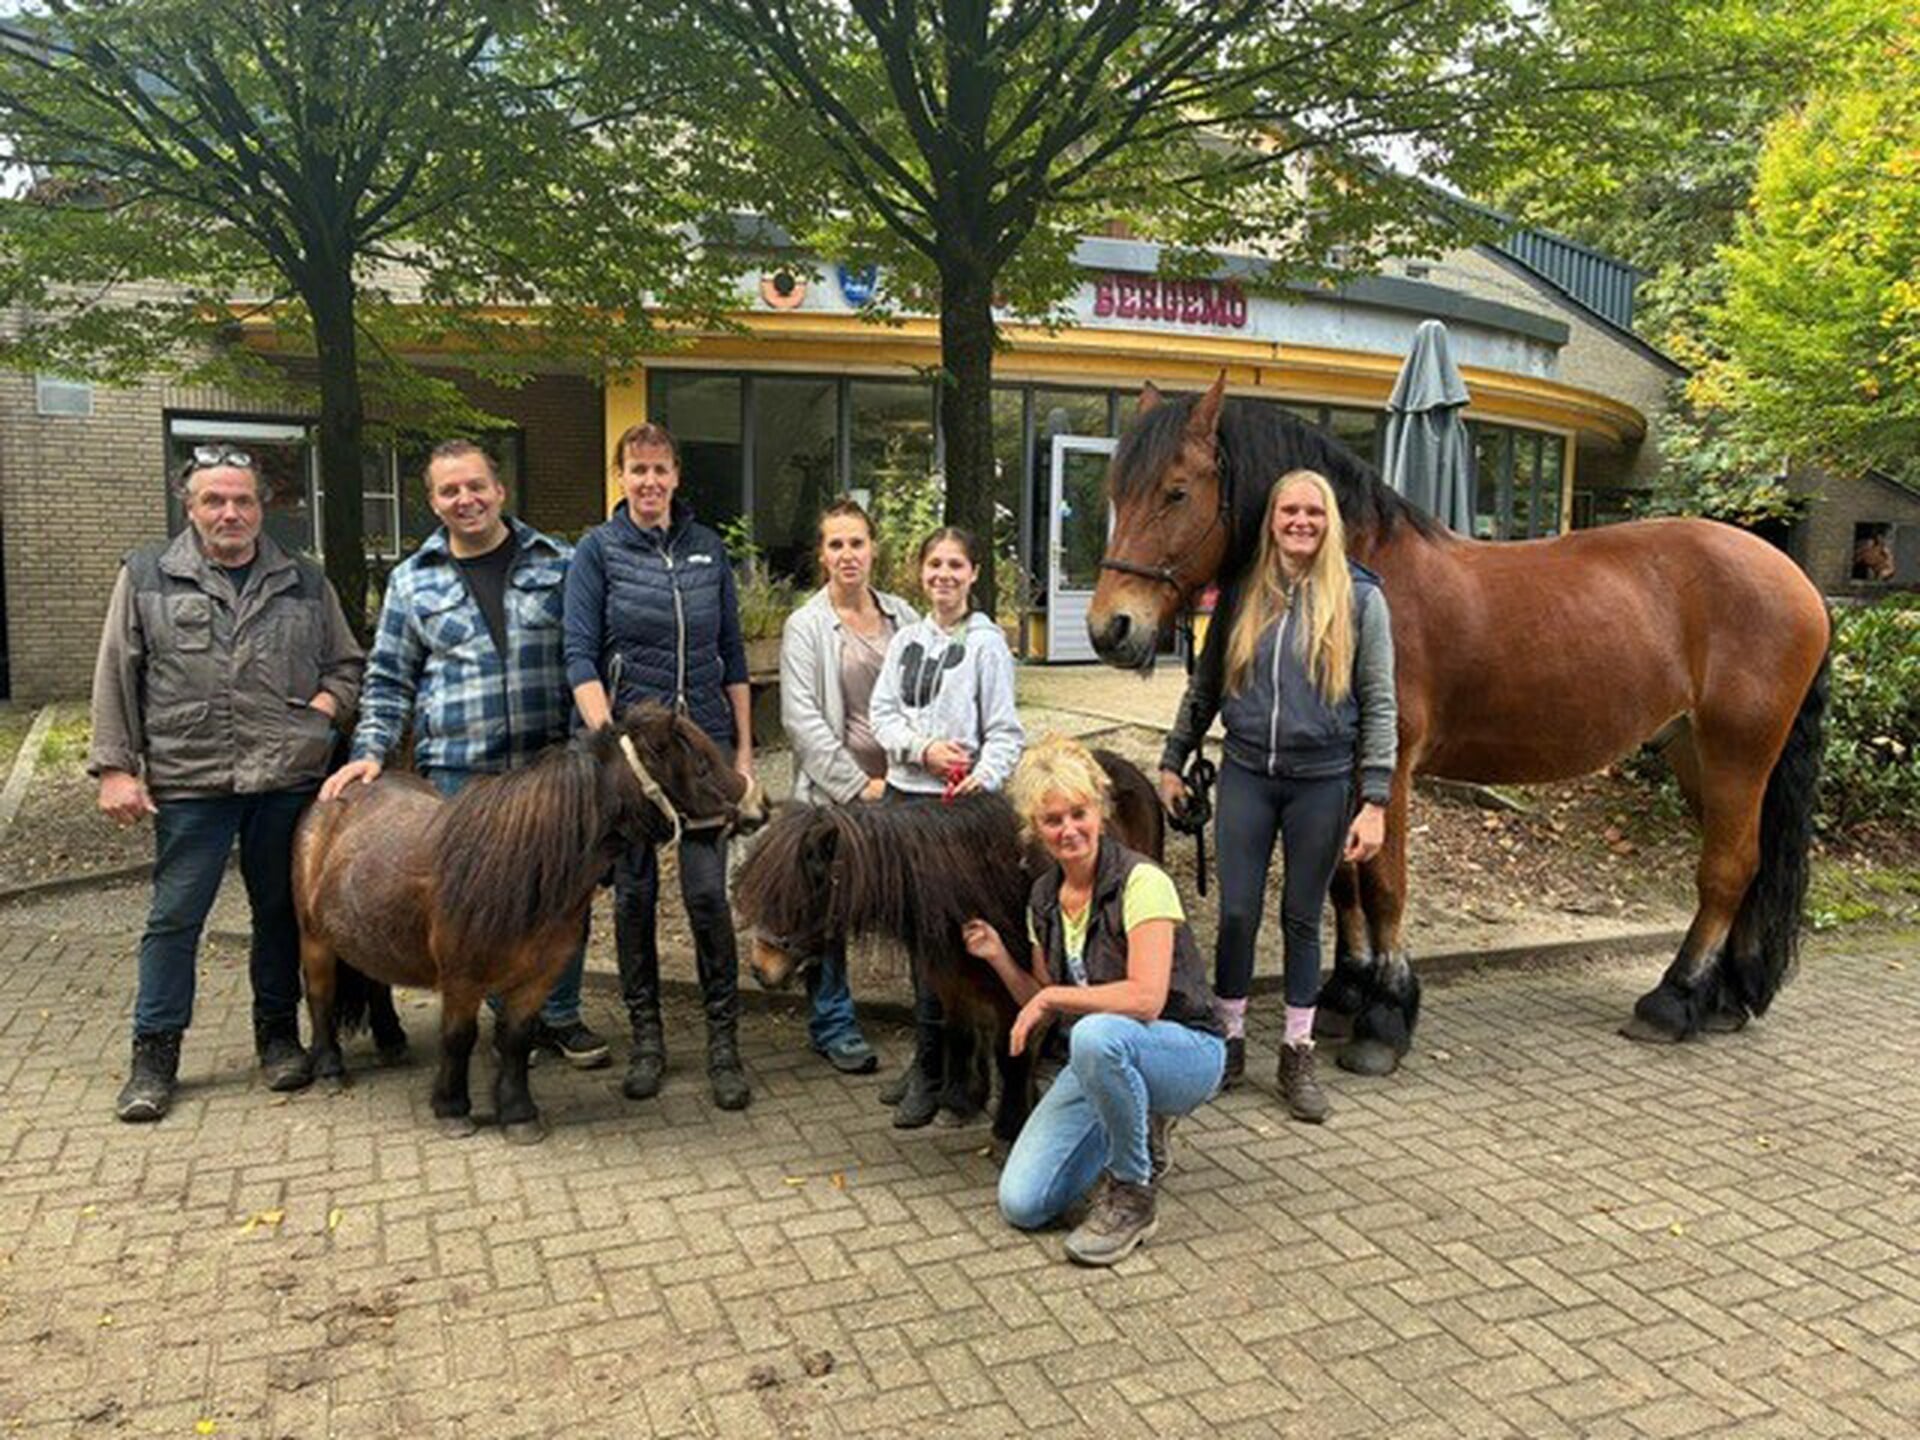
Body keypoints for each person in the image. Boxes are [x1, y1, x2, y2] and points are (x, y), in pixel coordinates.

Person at [88, 446, 365, 1122]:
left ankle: (277, 1037)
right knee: (174, 919)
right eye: (214, 500)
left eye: (242, 500)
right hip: (192, 782)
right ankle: (154, 1054)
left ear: (262, 508)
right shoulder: (149, 575)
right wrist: (115, 768)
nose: (229, 512)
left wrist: (324, 713)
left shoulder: (304, 581)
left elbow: (348, 666)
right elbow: (115, 675)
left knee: (279, 916)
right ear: (190, 507)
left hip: (285, 782)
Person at [318, 440, 607, 1069]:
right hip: (462, 771)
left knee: (561, 894)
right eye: (449, 491)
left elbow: (583, 656)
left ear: (499, 490)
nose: (465, 499)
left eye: (476, 486)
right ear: (433, 501)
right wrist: (370, 751)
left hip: (546, 766)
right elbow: (390, 678)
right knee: (477, 907)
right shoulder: (412, 580)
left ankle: (556, 1013)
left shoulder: (559, 562)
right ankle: (505, 1022)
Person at [1158, 468, 1396, 1124]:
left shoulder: (1361, 599)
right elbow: (1204, 689)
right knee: (1236, 914)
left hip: (1321, 782)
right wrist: (1173, 760)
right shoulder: (1237, 594)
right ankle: (1229, 1041)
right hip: (1246, 777)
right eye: (1289, 511)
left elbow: (1380, 704)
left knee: (1300, 916)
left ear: (1329, 523)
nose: (1300, 522)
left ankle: (1296, 1050)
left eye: (1313, 513)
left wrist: (1374, 801)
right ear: (1271, 520)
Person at [964, 734, 1225, 1266]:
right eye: (1052, 819)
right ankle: (1127, 1117)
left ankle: (1133, 1192)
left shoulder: (1142, 882)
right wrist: (997, 958)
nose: (1068, 830)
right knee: (1023, 1202)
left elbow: (1147, 999)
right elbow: (1042, 1001)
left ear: (1101, 812)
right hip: (1101, 1056)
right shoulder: (1042, 899)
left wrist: (1053, 998)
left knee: (1096, 1033)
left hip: (1186, 1051)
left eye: (1078, 813)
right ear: (1035, 828)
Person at [564, 422, 755, 1110]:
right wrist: (609, 743)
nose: (649, 482)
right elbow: (580, 656)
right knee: (636, 898)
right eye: (636, 470)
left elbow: (732, 656)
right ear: (621, 477)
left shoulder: (707, 550)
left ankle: (724, 1046)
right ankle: (647, 1040)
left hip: (697, 757)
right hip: (632, 765)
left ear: (677, 476)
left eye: (660, 470)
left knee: (707, 896)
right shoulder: (598, 551)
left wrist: (740, 752)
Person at [869, 526, 1025, 1126]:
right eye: (934, 563)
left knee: (961, 942)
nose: (944, 575)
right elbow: (883, 715)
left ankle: (966, 1071)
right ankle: (927, 1064)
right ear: (920, 572)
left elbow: (1005, 730)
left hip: (961, 813)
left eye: (956, 564)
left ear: (974, 573)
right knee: (918, 944)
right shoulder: (906, 639)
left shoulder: (989, 646)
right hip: (907, 805)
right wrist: (922, 749)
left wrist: (979, 779)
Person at [778, 498, 919, 1076]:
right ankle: (833, 1023)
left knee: (917, 905)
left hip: (908, 789)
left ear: (873, 549)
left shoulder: (905, 617)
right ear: (822, 555)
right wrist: (859, 786)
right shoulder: (806, 626)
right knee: (830, 912)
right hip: (838, 798)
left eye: (856, 542)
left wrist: (913, 774)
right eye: (835, 544)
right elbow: (801, 721)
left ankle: (931, 1017)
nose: (847, 555)